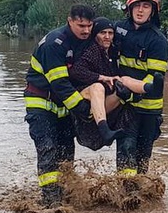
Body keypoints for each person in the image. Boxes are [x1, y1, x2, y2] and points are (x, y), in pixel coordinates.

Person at [24, 4, 95, 209]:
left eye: (89, 26)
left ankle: (66, 193)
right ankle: (51, 202)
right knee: (48, 149)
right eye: (81, 25)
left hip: (63, 107)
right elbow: (60, 84)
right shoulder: (54, 44)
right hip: (41, 103)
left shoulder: (84, 42)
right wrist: (83, 109)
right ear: (69, 20)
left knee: (66, 151)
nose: (86, 30)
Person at [69, 17, 161, 151]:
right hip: (87, 99)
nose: (107, 37)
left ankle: (149, 87)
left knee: (124, 80)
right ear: (95, 35)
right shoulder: (91, 51)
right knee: (98, 87)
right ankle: (104, 130)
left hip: (105, 102)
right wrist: (101, 77)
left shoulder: (112, 52)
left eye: (110, 33)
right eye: (103, 33)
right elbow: (76, 71)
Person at [115, 0, 168, 177]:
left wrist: (132, 89)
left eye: (146, 6)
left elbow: (155, 78)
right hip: (125, 105)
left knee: (142, 157)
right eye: (137, 5)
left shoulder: (158, 41)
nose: (140, 10)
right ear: (129, 9)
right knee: (126, 149)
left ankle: (141, 192)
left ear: (153, 10)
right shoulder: (118, 29)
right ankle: (126, 194)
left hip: (149, 109)